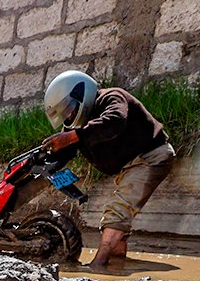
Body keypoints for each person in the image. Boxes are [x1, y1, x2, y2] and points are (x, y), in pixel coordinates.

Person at [40, 70, 173, 270]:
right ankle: (117, 262)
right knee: (118, 214)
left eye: (70, 108)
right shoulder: (77, 126)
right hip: (129, 167)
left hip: (151, 156)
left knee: (118, 209)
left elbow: (114, 121)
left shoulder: (112, 97)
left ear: (82, 93)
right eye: (65, 113)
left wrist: (72, 137)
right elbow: (63, 153)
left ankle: (98, 265)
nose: (69, 115)